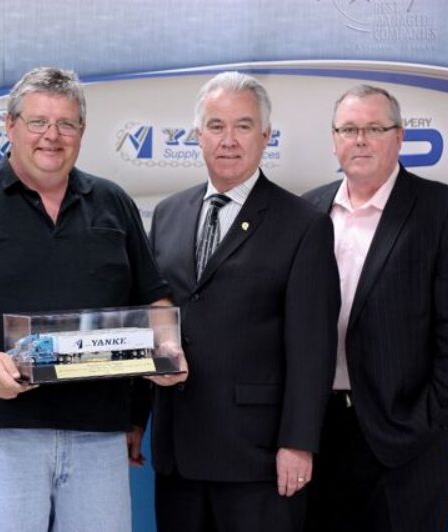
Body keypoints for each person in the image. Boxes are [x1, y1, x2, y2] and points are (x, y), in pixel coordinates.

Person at [0, 66, 184, 532]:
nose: (51, 136)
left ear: (81, 131)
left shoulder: (113, 203)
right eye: (38, 122)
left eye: (66, 124)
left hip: (97, 439)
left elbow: (153, 298)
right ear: (10, 126)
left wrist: (168, 351)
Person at [145, 71, 340, 532]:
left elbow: (313, 347)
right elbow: (154, 320)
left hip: (259, 457)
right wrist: (135, 419)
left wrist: (298, 442)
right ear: (197, 135)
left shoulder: (303, 224)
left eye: (243, 125)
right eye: (215, 126)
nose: (227, 140)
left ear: (266, 136)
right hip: (177, 452)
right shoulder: (169, 214)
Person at [303, 84, 448, 532]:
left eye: (374, 128)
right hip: (317, 437)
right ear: (333, 138)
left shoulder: (445, 211)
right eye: (348, 128)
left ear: (400, 136)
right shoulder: (308, 209)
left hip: (403, 442)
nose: (360, 139)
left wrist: (422, 426)